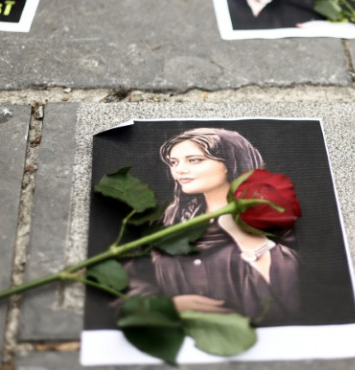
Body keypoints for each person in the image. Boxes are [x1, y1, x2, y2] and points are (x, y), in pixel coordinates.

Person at [124, 128, 300, 325]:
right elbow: (130, 279)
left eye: (194, 160)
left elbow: (293, 288)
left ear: (230, 163)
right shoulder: (168, 221)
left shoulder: (271, 217)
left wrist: (243, 235)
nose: (179, 170)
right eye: (174, 162)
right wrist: (165, 306)